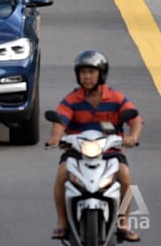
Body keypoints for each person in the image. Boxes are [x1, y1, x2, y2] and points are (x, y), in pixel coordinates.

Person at [47, 51, 144, 242]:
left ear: (101, 74)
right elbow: (60, 122)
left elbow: (135, 120)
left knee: (124, 175)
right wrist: (55, 138)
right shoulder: (72, 99)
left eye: (91, 72)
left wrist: (132, 136)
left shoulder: (115, 97)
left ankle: (123, 224)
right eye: (83, 72)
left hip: (110, 152)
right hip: (77, 152)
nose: (87, 76)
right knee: (61, 173)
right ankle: (62, 223)